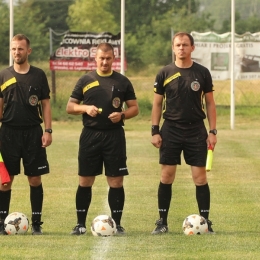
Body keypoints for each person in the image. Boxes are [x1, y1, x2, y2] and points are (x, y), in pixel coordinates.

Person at [66, 42, 139, 235]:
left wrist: (122, 115)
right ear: (95, 59)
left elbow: (134, 108)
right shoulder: (85, 80)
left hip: (114, 136)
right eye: (101, 58)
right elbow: (70, 107)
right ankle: (80, 224)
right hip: (90, 135)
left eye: (108, 58)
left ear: (113, 59)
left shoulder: (123, 81)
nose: (104, 62)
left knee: (116, 182)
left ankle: (117, 223)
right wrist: (85, 108)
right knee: (85, 181)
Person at [150, 32, 217, 234]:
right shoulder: (164, 72)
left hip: (196, 129)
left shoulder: (202, 73)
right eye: (178, 45)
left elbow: (211, 103)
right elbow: (157, 103)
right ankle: (162, 222)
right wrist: (155, 130)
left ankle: (205, 222)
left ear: (192, 48)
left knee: (200, 178)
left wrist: (212, 131)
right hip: (171, 128)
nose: (181, 48)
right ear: (173, 47)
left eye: (185, 45)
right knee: (166, 175)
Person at [0, 34, 52, 235]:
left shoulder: (38, 75)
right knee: (5, 180)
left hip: (33, 133)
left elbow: (45, 104)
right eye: (13, 49)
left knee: (35, 179)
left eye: (20, 49)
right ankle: (1, 222)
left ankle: (37, 224)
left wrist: (48, 130)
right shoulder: (3, 75)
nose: (16, 52)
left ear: (28, 51)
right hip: (8, 133)